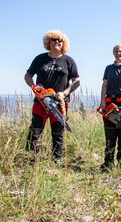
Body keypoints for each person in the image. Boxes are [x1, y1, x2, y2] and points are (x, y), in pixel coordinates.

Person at [25, 29, 80, 164]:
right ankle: (30, 160)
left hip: (60, 102)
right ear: (48, 42)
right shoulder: (40, 59)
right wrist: (34, 87)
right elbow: (28, 76)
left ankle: (57, 160)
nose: (57, 42)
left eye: (60, 40)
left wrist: (66, 92)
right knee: (35, 131)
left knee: (58, 132)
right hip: (41, 101)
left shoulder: (68, 61)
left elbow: (76, 81)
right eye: (54, 39)